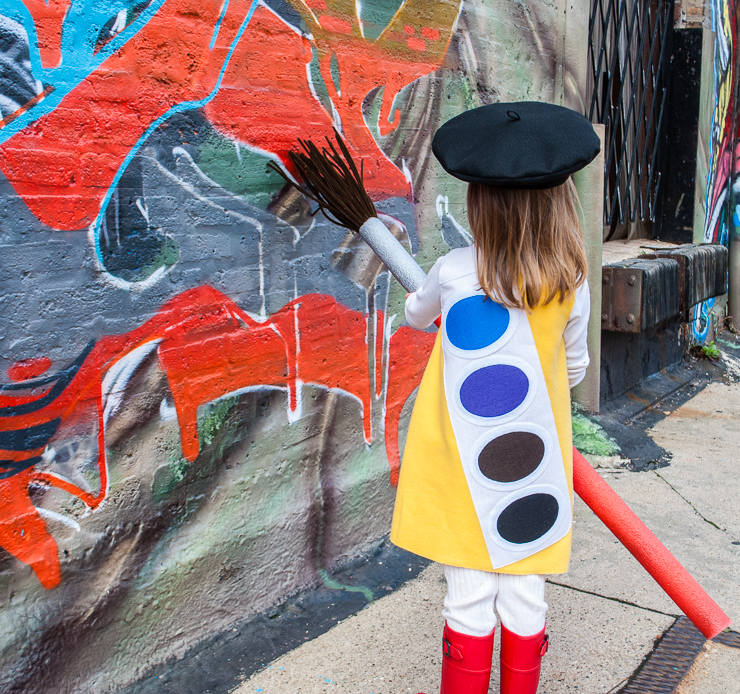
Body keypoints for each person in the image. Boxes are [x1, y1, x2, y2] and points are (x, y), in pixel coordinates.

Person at [390, 101, 601, 694]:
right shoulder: (570, 281)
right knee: (525, 591)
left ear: (478, 202)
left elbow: (414, 315)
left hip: (464, 460)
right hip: (533, 463)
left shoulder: (455, 271)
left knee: (469, 593)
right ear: (560, 202)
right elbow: (577, 364)